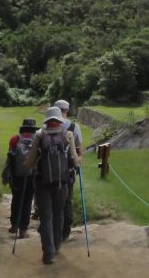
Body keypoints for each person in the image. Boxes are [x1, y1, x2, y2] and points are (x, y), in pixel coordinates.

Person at [24, 107, 81, 264]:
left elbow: (29, 162)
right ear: (60, 120)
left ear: (47, 120)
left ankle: (48, 253)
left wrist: (29, 164)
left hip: (42, 183)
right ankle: (56, 246)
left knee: (46, 217)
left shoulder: (39, 135)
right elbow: (75, 161)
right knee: (59, 215)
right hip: (62, 183)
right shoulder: (67, 135)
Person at [3, 118, 39, 236]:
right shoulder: (37, 139)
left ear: (22, 127)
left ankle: (14, 225)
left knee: (16, 199)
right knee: (27, 202)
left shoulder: (15, 139)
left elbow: (10, 157)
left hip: (17, 174)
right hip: (31, 175)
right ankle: (23, 229)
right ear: (34, 128)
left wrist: (7, 174)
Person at [53, 100, 82, 242]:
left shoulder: (46, 126)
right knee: (66, 201)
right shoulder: (74, 127)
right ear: (67, 110)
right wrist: (77, 164)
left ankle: (52, 231)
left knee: (51, 201)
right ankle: (64, 232)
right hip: (68, 173)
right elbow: (79, 151)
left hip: (49, 172)